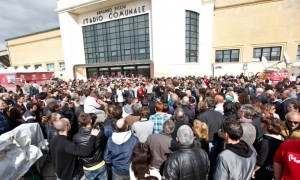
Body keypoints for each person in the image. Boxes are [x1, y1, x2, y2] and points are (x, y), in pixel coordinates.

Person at [73, 113, 108, 180]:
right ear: (91, 121)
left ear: (79, 123)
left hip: (87, 166)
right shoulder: (100, 133)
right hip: (100, 163)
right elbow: (104, 145)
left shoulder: (76, 137)